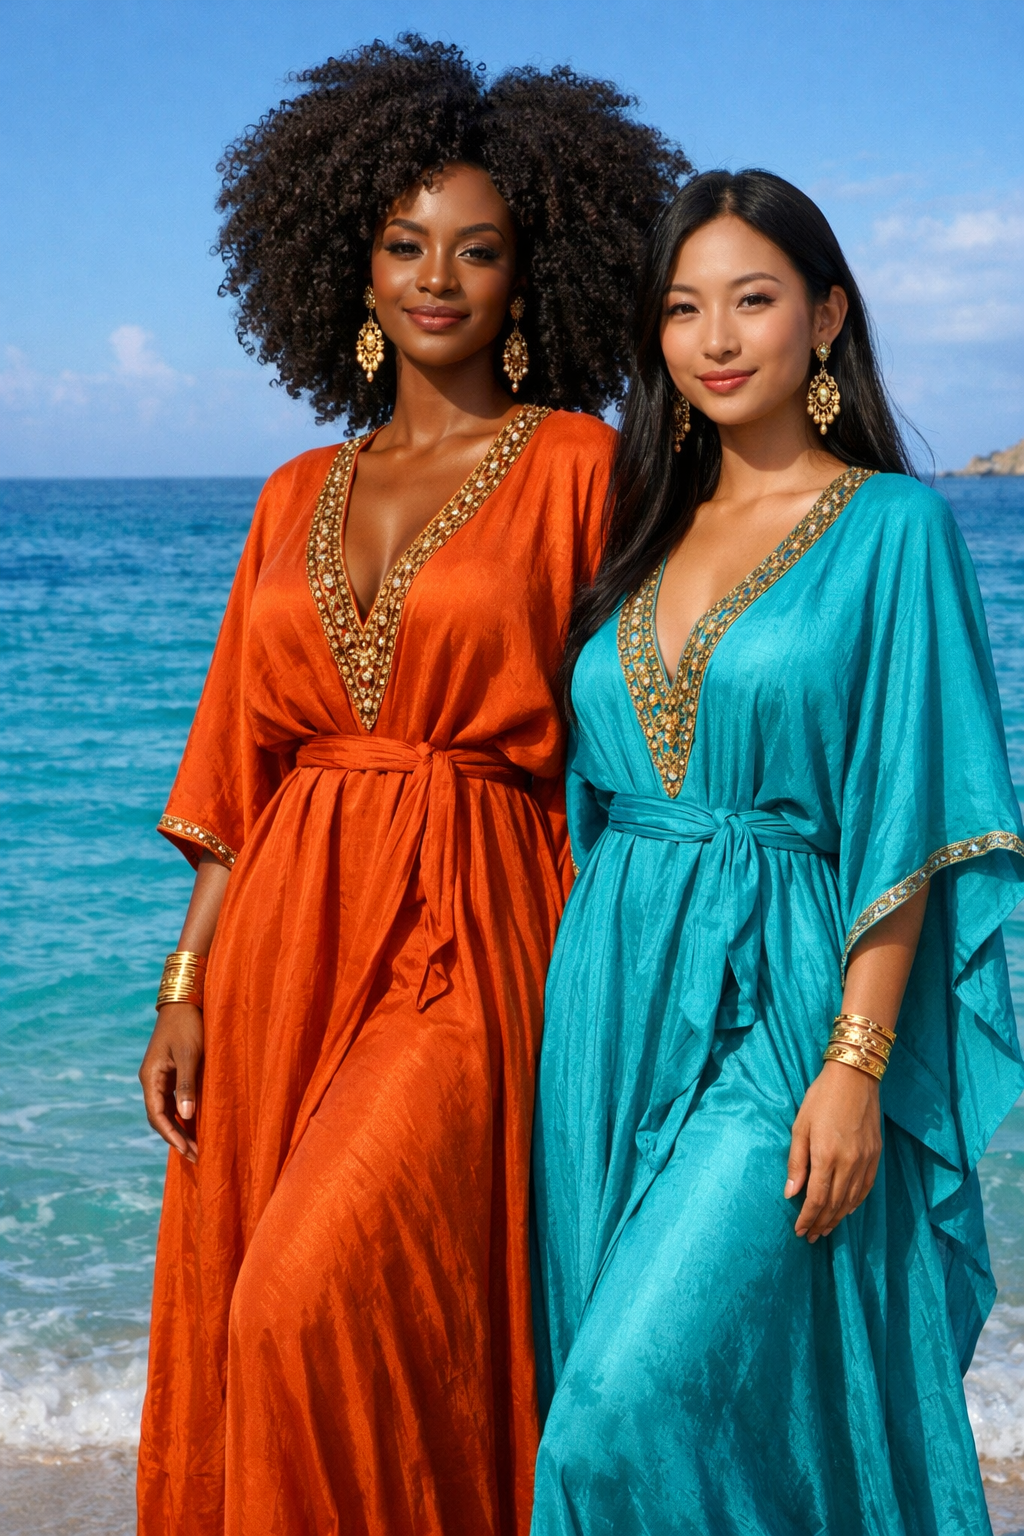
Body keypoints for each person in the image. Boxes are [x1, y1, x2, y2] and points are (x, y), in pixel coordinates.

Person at [135, 35, 687, 1536]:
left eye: (480, 249)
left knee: (300, 1303)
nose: (437, 276)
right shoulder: (290, 495)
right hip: (280, 947)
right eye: (404, 243)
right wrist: (184, 985)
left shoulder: (582, 463)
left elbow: (665, 714)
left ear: (535, 278)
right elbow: (235, 776)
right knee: (292, 1305)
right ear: (353, 266)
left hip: (475, 927)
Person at [530, 169, 1024, 1536]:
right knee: (682, 1411)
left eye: (755, 299)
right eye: (685, 309)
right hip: (610, 1004)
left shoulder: (892, 529)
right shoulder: (639, 535)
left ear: (827, 316)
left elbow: (911, 812)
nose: (719, 337)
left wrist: (855, 1066)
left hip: (787, 1007)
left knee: (615, 1411)